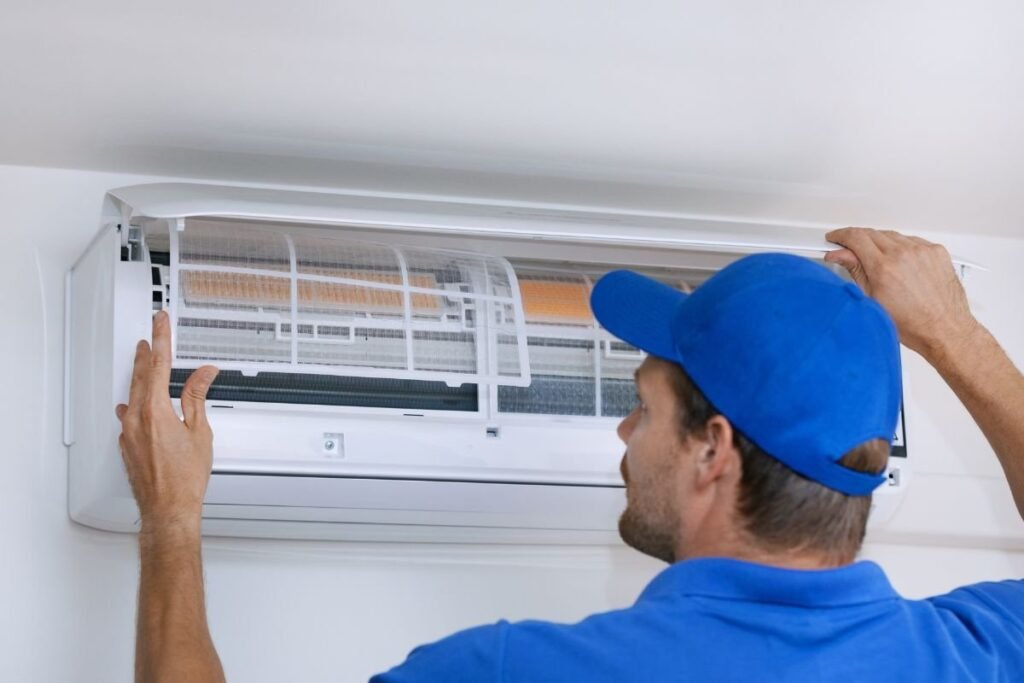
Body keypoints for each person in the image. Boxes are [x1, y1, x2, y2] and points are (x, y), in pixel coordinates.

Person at [116, 228, 1024, 682]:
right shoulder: (970, 656)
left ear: (715, 452)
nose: (623, 434)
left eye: (642, 406)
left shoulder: (521, 671)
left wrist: (170, 519)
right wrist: (957, 338)